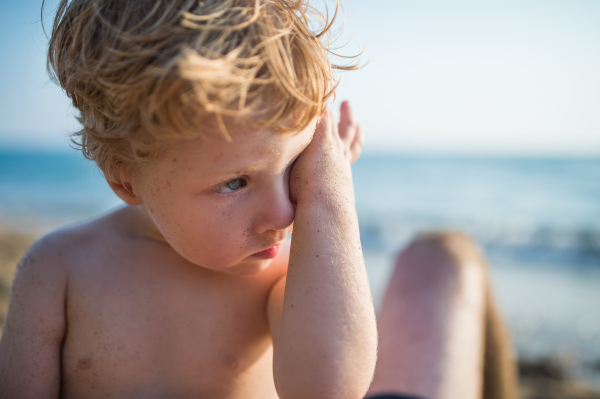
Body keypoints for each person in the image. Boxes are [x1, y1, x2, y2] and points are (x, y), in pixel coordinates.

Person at [0, 0, 516, 398]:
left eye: (296, 166)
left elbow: (328, 388)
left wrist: (329, 192)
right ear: (127, 181)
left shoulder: (281, 277)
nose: (285, 213)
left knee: (444, 256)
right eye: (235, 183)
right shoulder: (59, 270)